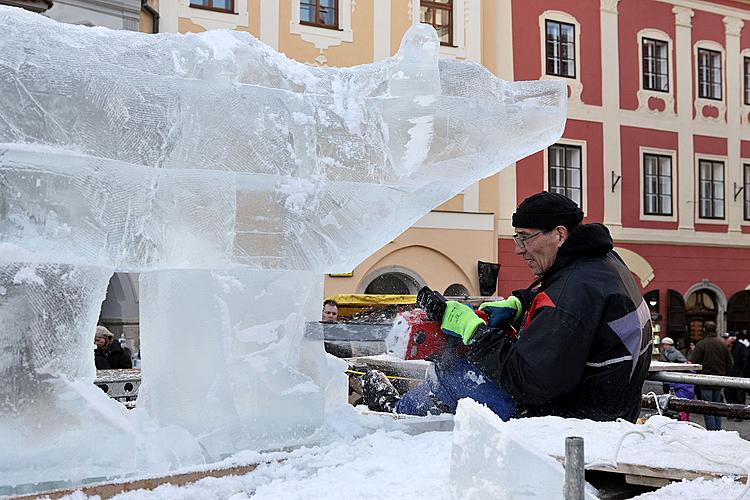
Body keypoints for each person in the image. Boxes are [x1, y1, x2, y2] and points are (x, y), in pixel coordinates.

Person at [363, 192, 652, 422]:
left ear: (560, 234)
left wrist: (474, 333)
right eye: (516, 238)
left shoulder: (570, 293)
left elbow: (527, 380)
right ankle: (406, 407)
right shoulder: (604, 262)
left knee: (454, 371)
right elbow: (562, 295)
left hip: (576, 417)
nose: (518, 248)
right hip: (611, 405)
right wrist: (519, 304)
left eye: (526, 237)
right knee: (463, 371)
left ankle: (398, 412)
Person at [688, 321, 732, 430]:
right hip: (719, 379)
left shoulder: (702, 344)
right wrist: (723, 372)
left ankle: (712, 432)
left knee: (707, 407)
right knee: (717, 406)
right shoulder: (723, 343)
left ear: (704, 330)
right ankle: (718, 430)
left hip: (705, 379)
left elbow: (693, 363)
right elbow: (730, 363)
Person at [724, 333, 748, 407]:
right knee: (728, 393)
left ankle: (740, 412)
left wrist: (743, 372)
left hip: (738, 373)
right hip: (729, 374)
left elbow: (745, 360)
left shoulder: (740, 347)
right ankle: (731, 410)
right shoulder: (725, 347)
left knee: (739, 394)